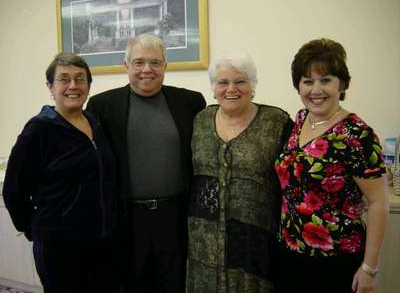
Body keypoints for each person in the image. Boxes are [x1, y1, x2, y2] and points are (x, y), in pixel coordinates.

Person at [86, 33, 206, 293]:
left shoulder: (191, 102)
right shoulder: (102, 106)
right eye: (139, 62)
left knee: (174, 283)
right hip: (127, 218)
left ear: (165, 66)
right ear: (126, 65)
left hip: (175, 217)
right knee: (131, 284)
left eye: (155, 63)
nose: (147, 70)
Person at [274, 38, 389, 293]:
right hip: (290, 254)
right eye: (308, 81)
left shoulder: (357, 134)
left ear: (342, 84)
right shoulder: (300, 120)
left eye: (325, 80)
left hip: (336, 260)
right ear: (298, 86)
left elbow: (378, 203)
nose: (316, 90)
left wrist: (370, 267)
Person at [2, 53, 118, 293]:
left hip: (102, 242)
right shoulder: (38, 130)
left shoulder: (95, 122)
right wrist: (35, 229)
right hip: (60, 247)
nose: (73, 86)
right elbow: (13, 190)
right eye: (64, 79)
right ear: (50, 87)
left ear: (88, 86)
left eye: (80, 79)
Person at [186, 51, 293, 292]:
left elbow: (295, 178)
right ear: (213, 87)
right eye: (223, 82)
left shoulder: (276, 121)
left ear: (252, 85)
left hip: (256, 240)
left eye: (240, 81)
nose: (231, 88)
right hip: (204, 238)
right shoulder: (200, 120)